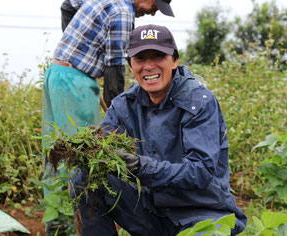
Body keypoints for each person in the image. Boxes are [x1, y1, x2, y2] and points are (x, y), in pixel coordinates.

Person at [70, 24, 247, 236]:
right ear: (131, 65)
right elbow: (104, 148)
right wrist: (86, 148)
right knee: (84, 177)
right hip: (152, 212)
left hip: (203, 214)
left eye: (158, 57)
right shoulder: (124, 105)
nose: (149, 66)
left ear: (174, 61)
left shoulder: (199, 102)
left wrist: (141, 167)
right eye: (140, 59)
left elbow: (200, 172)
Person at [42, 1, 174, 234]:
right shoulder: (123, 13)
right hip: (76, 83)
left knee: (57, 152)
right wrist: (121, 113)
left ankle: (57, 226)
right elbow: (114, 69)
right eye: (155, 4)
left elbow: (67, 5)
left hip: (57, 73)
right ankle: (71, 228)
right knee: (84, 159)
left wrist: (77, 44)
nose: (152, 11)